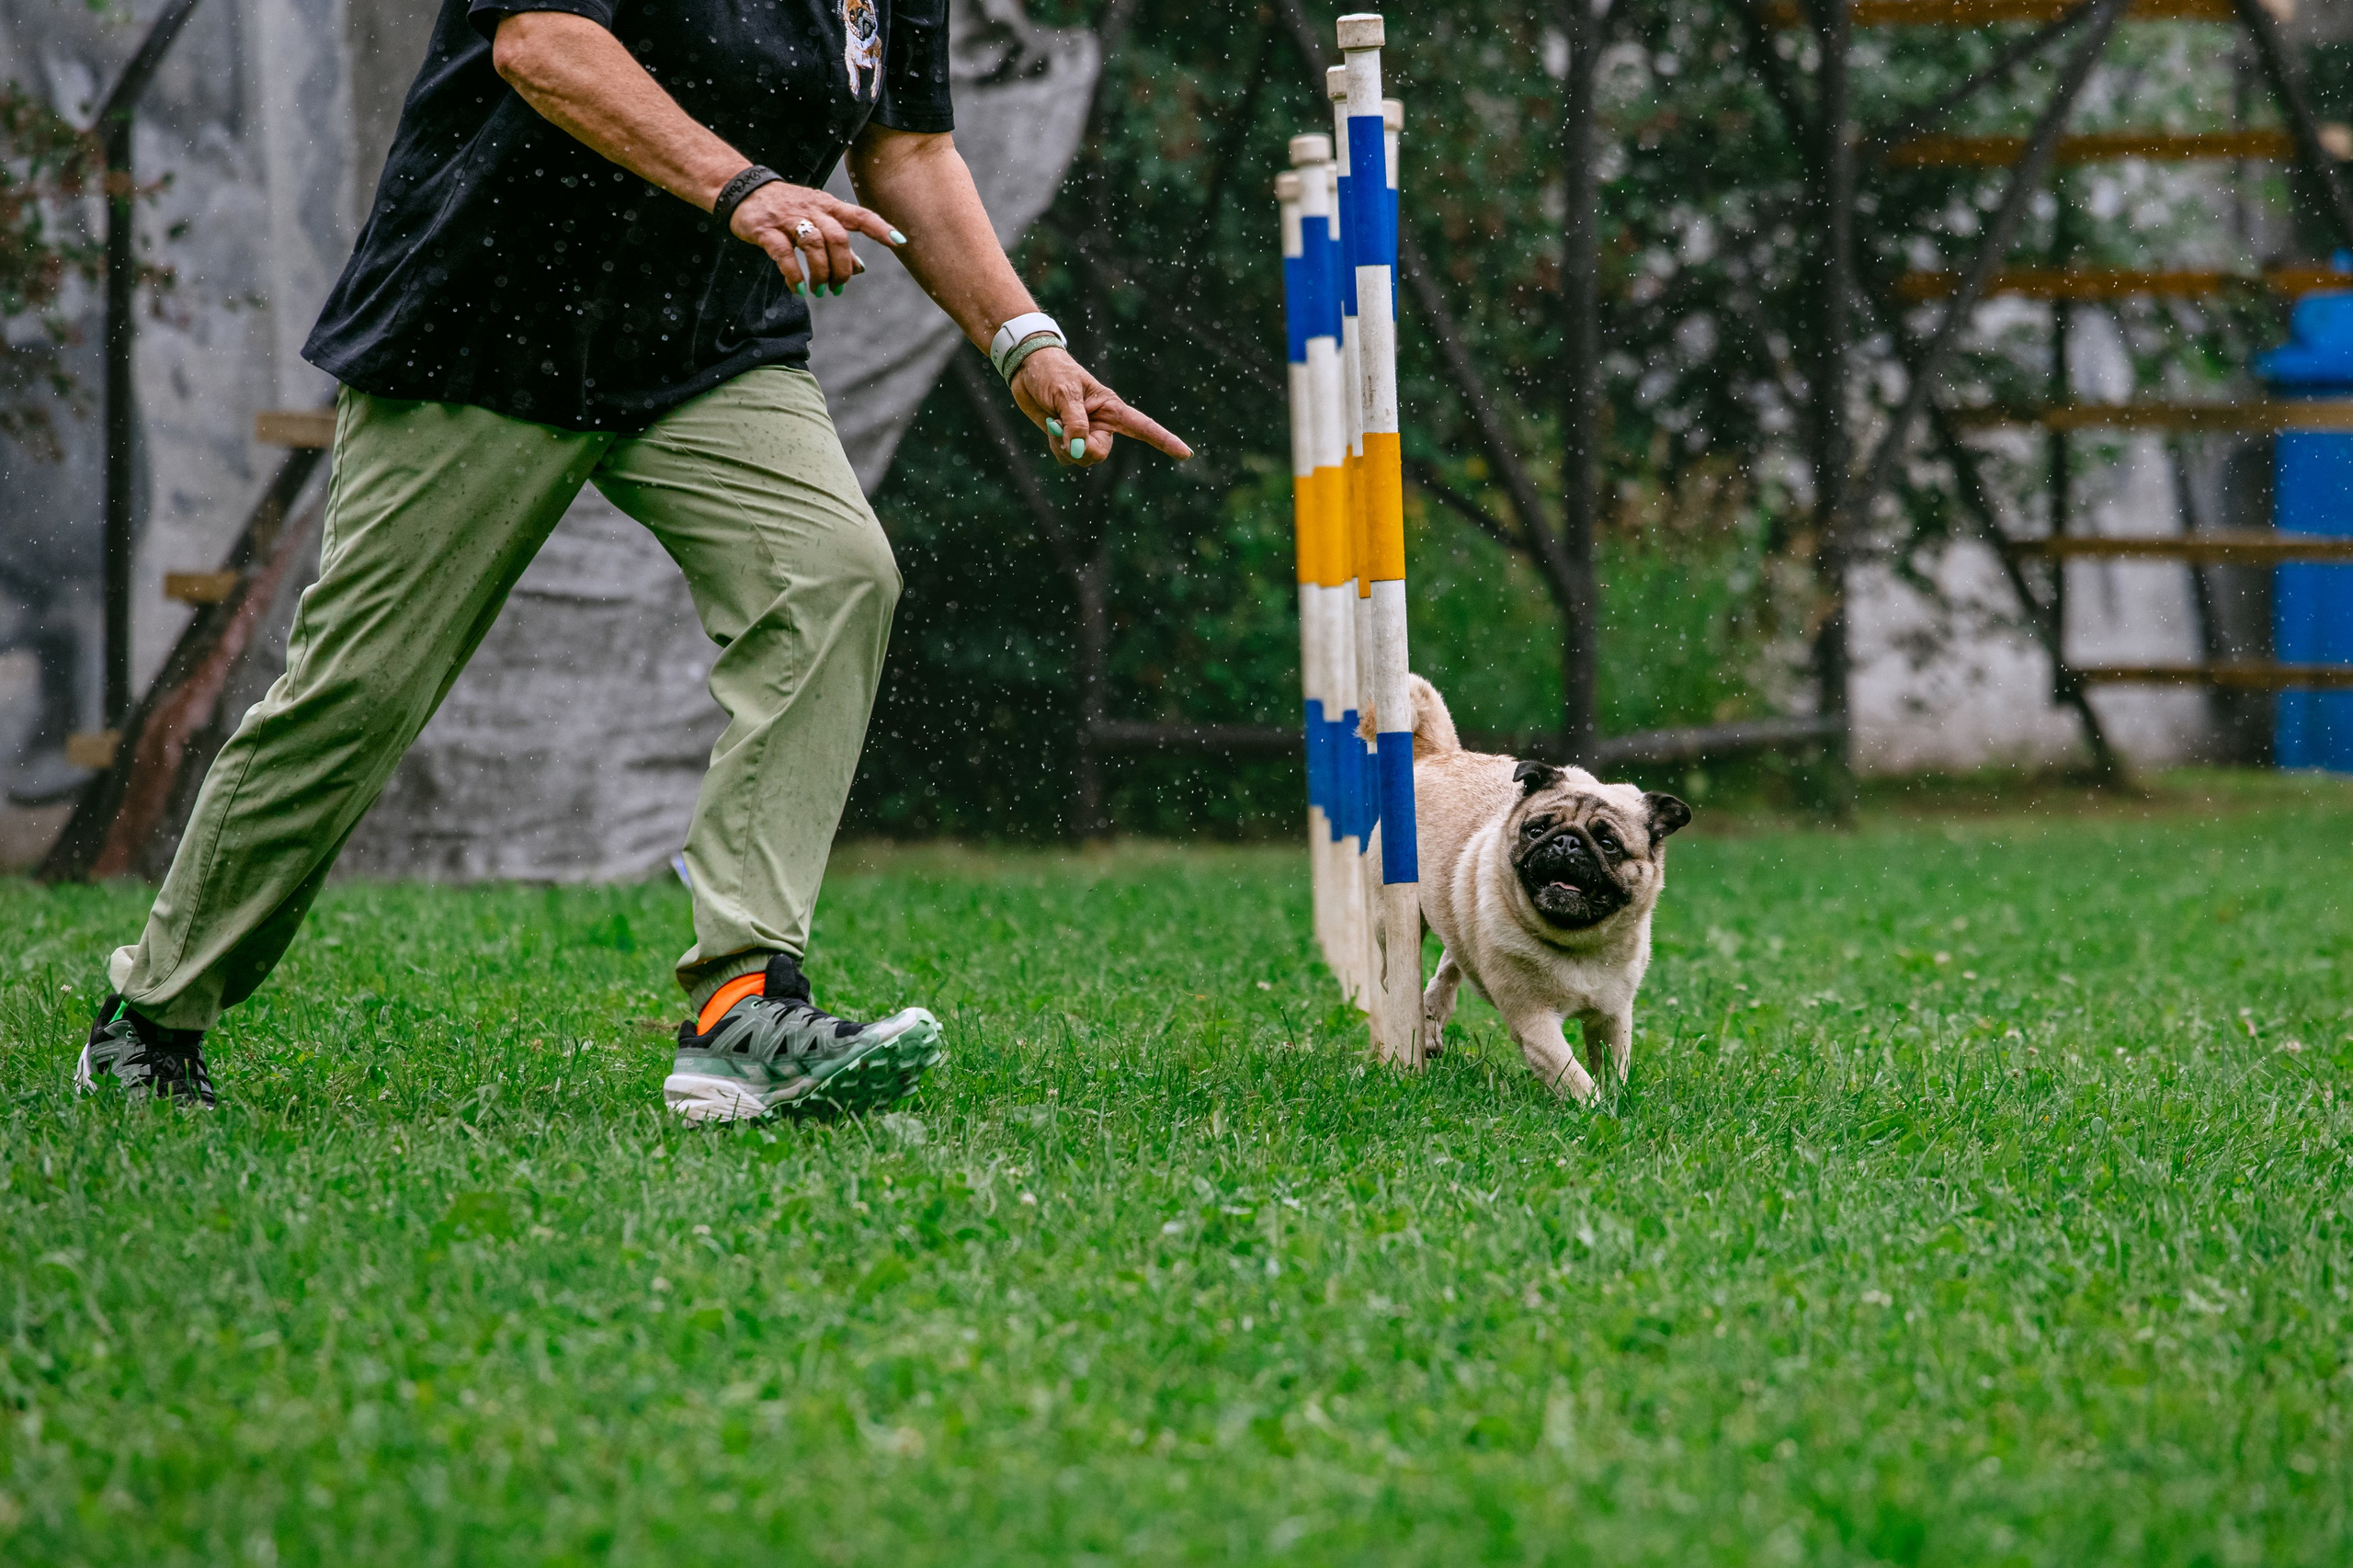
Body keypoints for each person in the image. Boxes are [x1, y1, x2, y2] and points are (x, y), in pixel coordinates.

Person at [74, 0, 1188, 1117]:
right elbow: (541, 46)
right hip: (488, 321)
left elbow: (908, 150)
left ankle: (745, 1006)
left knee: (835, 573)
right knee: (358, 694)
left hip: (704, 345)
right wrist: (743, 186)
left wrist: (1022, 340)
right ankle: (153, 1017)